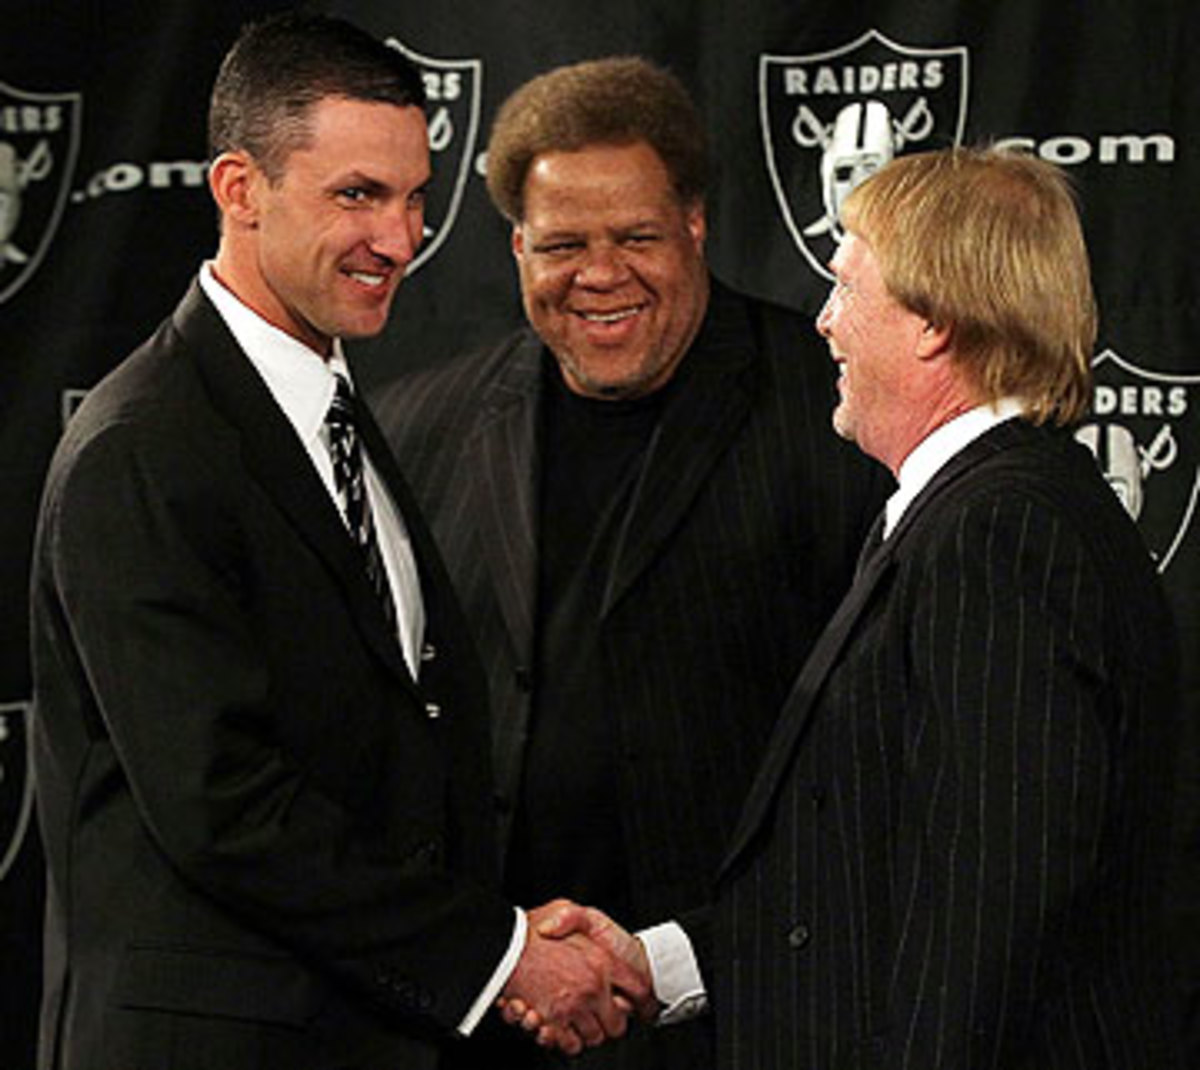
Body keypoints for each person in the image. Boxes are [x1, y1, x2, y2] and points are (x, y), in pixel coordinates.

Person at [29, 15, 646, 1070]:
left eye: (413, 197)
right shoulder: (146, 446)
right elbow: (224, 806)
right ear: (238, 189)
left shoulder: (342, 414)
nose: (402, 239)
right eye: (357, 195)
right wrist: (500, 955)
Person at [528, 145, 1187, 1068]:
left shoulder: (996, 534)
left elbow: (984, 918)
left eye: (847, 286)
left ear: (933, 323)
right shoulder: (970, 515)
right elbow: (875, 876)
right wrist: (656, 963)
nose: (826, 324)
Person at [375, 56, 889, 1068]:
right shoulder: (418, 425)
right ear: (516, 246)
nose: (599, 274)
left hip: (749, 1020)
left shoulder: (838, 413)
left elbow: (896, 758)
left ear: (696, 223)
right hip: (488, 1016)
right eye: (563, 243)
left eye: (637, 237)